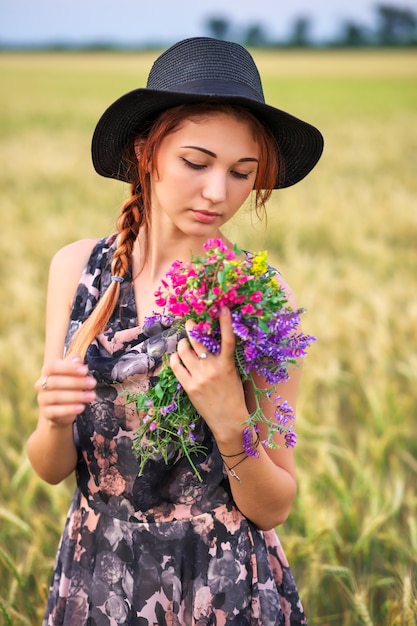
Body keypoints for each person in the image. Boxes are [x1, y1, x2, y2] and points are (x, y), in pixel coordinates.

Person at [28, 36, 323, 626]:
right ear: (147, 151)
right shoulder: (78, 272)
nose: (219, 193)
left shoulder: (260, 300)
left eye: (243, 173)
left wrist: (231, 423)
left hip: (222, 584)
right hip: (97, 578)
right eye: (196, 162)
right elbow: (50, 465)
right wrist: (55, 419)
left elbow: (274, 505)